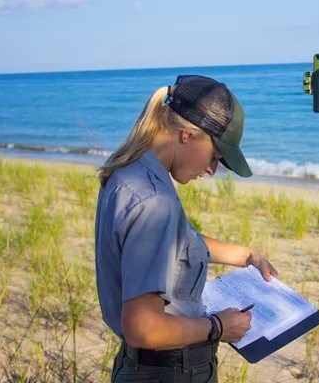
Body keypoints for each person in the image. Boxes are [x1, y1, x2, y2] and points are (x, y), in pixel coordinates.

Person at [95, 75, 278, 382]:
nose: (210, 170)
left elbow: (176, 242)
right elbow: (143, 328)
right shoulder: (154, 201)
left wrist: (246, 256)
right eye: (215, 157)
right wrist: (218, 327)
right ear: (188, 135)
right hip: (170, 370)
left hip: (142, 367)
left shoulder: (130, 172)